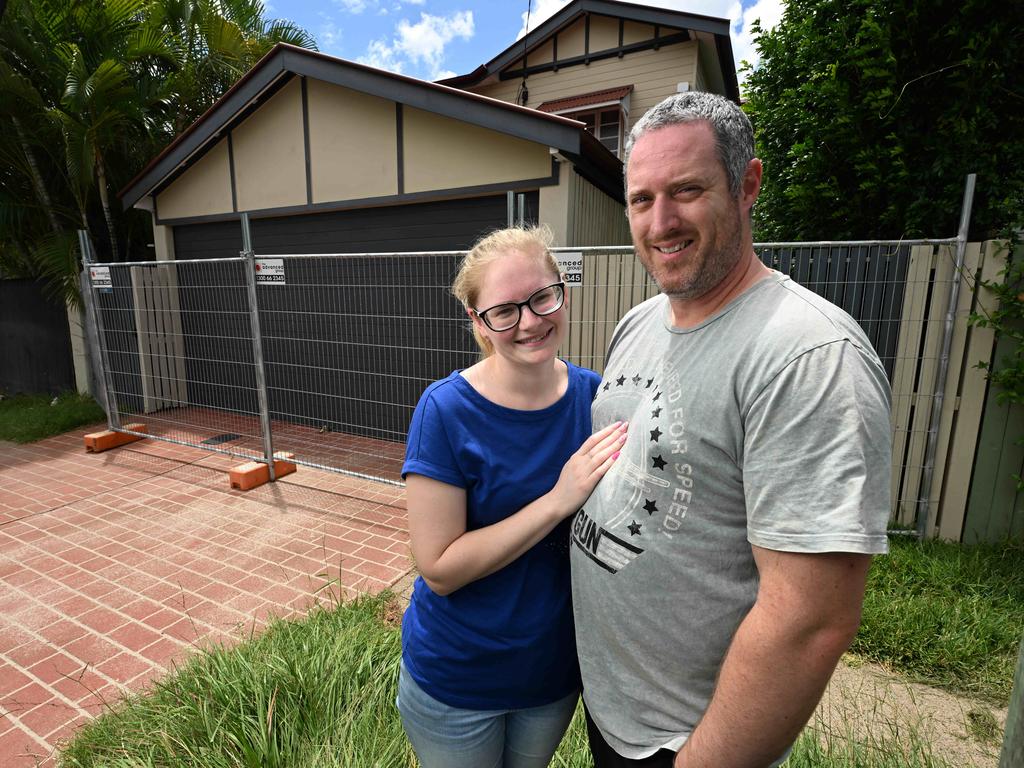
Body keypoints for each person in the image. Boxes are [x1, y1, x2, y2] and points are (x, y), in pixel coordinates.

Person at [570, 91, 892, 767]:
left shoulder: (806, 354)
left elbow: (808, 622)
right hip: (612, 711)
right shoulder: (639, 322)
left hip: (691, 739)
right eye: (641, 199)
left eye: (686, 191)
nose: (660, 222)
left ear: (747, 187)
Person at [397, 226, 628, 768]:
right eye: (504, 310)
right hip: (458, 679)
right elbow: (440, 568)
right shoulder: (445, 412)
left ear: (561, 291)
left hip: (551, 675)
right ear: (479, 323)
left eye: (543, 296)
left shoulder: (595, 399)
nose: (530, 321)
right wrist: (556, 500)